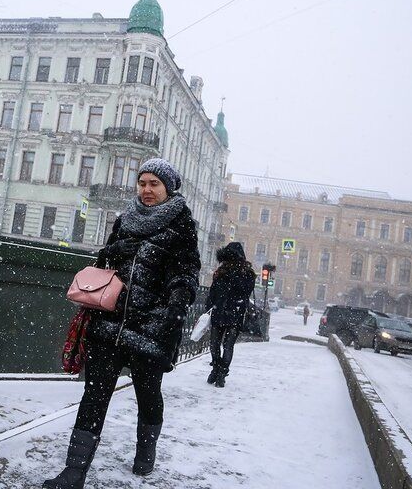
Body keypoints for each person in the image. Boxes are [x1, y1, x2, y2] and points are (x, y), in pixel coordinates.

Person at [43, 158, 201, 489]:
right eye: (142, 183)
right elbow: (104, 265)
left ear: (168, 189)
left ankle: (146, 450)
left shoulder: (182, 226)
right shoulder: (125, 220)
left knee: (148, 393)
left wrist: (172, 313)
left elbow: (185, 275)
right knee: (94, 396)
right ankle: (74, 472)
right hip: (108, 322)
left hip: (150, 328)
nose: (146, 190)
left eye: (154, 184)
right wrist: (115, 248)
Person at [205, 242, 256, 388]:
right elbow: (214, 291)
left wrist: (210, 306)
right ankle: (219, 372)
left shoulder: (229, 272)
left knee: (219, 344)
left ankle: (218, 371)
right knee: (222, 345)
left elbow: (214, 292)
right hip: (229, 312)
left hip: (226, 312)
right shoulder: (243, 272)